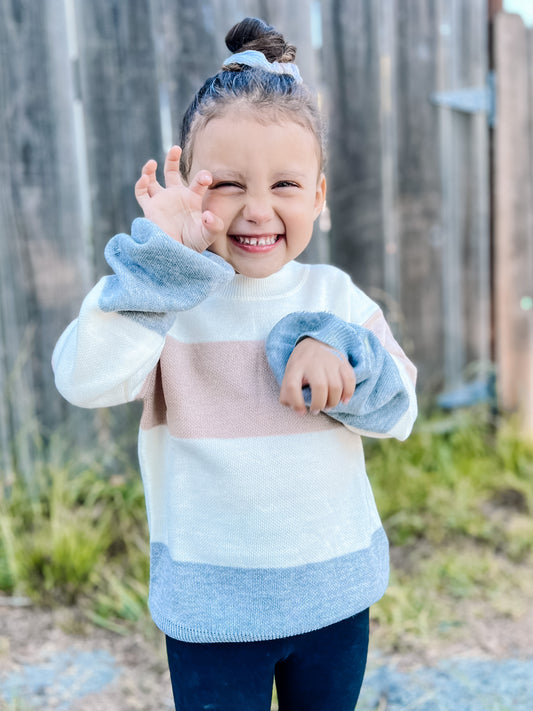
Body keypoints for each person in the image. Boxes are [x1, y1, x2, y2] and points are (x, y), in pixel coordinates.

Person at [52, 16, 417, 711]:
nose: (256, 209)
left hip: (332, 598)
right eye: (226, 184)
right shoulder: (163, 298)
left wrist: (342, 354)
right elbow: (83, 379)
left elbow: (399, 409)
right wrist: (160, 271)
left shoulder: (334, 298)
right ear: (189, 183)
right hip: (212, 608)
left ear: (317, 196)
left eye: (284, 184)